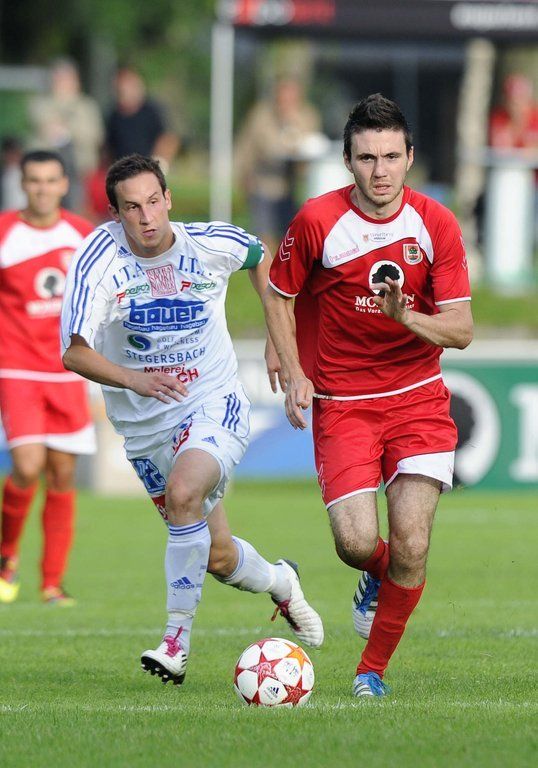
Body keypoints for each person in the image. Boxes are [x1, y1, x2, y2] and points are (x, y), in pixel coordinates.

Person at [60, 154, 323, 686]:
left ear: (169, 199)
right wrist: (134, 379)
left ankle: (175, 643)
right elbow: (74, 352)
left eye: (154, 201)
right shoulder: (97, 261)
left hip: (213, 400)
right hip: (144, 427)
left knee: (184, 493)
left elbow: (262, 258)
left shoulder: (208, 243)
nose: (147, 217)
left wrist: (278, 339)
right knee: (216, 556)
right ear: (115, 213)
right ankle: (281, 581)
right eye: (132, 208)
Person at [263, 94, 473, 698]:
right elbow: (279, 293)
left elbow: (460, 329)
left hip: (418, 399)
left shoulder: (435, 224)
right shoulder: (317, 220)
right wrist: (293, 367)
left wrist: (407, 318)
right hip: (343, 402)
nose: (380, 171)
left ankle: (370, 671)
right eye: (366, 158)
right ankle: (380, 574)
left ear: (410, 157)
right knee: (356, 544)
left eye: (390, 157)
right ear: (347, 161)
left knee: (414, 542)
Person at [0, 150, 96, 606]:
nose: (42, 188)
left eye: (50, 180)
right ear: (23, 184)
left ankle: (52, 583)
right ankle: (6, 555)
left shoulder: (82, 235)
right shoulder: (5, 232)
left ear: (63, 184)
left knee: (62, 473)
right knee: (26, 466)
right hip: (16, 365)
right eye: (34, 180)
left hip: (68, 368)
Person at [234, 76, 322, 255]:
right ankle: (266, 270)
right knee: (264, 239)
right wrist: (243, 176)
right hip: (263, 185)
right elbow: (246, 148)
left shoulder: (307, 116)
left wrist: (293, 122)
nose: (286, 100)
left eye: (291, 96)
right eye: (283, 95)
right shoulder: (260, 116)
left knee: (289, 238)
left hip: (291, 187)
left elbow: (311, 144)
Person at [28, 58, 105, 212]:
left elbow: (95, 136)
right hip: (46, 173)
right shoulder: (40, 104)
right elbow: (45, 126)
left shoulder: (87, 106)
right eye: (58, 78)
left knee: (77, 209)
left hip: (80, 172)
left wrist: (68, 130)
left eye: (66, 79)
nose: (61, 83)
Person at [106, 68, 179, 169]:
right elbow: (109, 148)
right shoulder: (114, 116)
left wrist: (160, 164)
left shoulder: (152, 111)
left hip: (148, 168)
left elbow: (168, 139)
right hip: (123, 171)